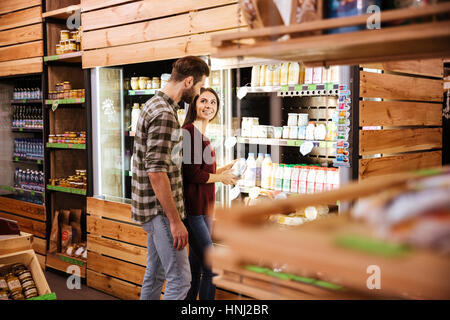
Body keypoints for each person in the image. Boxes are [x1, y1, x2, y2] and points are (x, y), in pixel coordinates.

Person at [131, 56, 210, 300]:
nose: (198, 94)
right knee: (180, 280)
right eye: (198, 87)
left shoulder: (153, 104)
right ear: (188, 81)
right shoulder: (164, 114)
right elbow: (156, 172)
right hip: (161, 213)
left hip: (151, 210)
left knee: (154, 275)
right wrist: (175, 221)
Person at [182, 87, 237, 300]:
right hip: (194, 210)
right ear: (194, 104)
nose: (208, 106)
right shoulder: (188, 132)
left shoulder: (202, 134)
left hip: (205, 209)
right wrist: (221, 178)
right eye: (203, 101)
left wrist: (224, 169)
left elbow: (203, 171)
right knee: (212, 266)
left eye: (213, 103)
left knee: (196, 268)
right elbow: (192, 174)